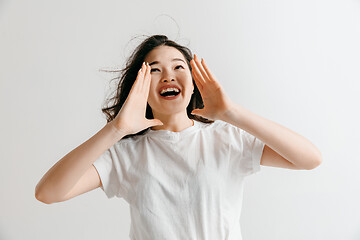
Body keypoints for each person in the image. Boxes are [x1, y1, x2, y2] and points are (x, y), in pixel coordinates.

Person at [35, 35, 322, 240]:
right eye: (155, 70)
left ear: (194, 80)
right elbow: (48, 193)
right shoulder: (126, 154)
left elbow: (309, 158)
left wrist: (231, 112)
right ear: (141, 87)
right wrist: (117, 129)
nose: (168, 76)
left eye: (178, 66)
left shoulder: (226, 139)